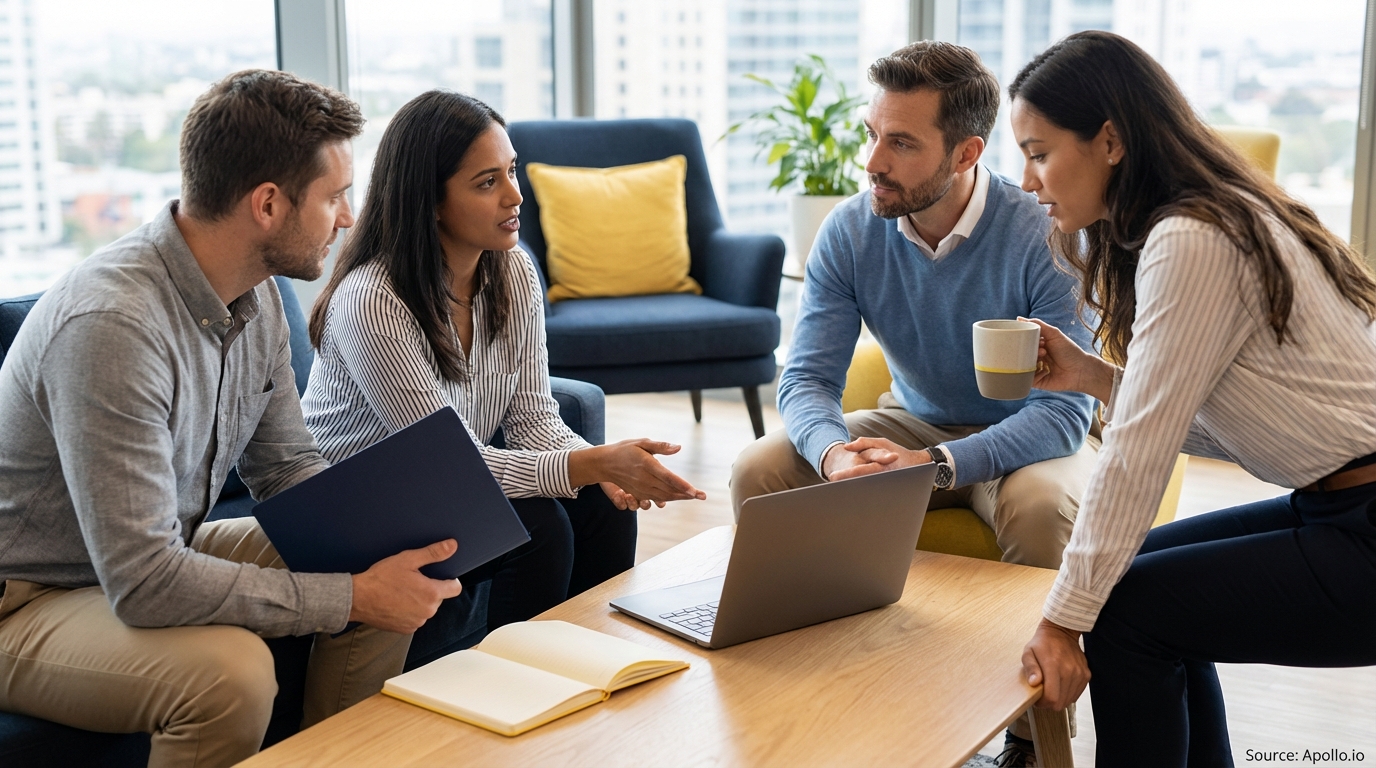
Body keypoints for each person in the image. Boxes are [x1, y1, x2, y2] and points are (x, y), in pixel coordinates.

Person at [0, 70, 462, 766]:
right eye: (335, 196)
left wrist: (374, 528)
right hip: (29, 598)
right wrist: (346, 597)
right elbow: (146, 581)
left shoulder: (257, 295)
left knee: (383, 549)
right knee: (232, 675)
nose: (347, 217)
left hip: (144, 555)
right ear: (268, 204)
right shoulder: (112, 326)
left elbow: (285, 466)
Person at [1008, 31, 1376, 767]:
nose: (1026, 179)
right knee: (1126, 586)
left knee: (1125, 611)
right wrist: (1096, 377)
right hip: (1341, 505)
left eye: (1040, 152)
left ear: (1109, 140)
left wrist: (1059, 622)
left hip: (1364, 532)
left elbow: (1137, 457)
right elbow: (1234, 427)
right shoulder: (1207, 218)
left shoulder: (1193, 237)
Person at [727, 41, 1097, 763]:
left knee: (1040, 509)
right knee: (760, 470)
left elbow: (1066, 413)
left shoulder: (1046, 232)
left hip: (1027, 433)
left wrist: (933, 464)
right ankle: (801, 683)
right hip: (912, 417)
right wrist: (834, 453)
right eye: (873, 134)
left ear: (965, 153)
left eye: (900, 143)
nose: (872, 161)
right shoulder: (851, 230)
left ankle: (1029, 736)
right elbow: (805, 379)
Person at [302, 90, 705, 637]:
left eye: (511, 171)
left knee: (605, 507)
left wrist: (601, 468)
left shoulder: (510, 271)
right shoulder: (374, 299)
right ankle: (521, 684)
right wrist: (594, 464)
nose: (516, 195)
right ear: (431, 199)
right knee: (538, 525)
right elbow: (450, 465)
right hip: (364, 503)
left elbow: (532, 417)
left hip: (441, 489)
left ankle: (596, 660)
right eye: (487, 182)